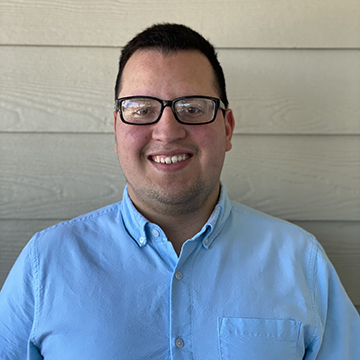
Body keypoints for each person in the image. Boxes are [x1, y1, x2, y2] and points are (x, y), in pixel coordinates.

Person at [0, 23, 359, 360]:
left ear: (227, 128)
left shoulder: (300, 261)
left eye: (192, 108)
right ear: (115, 129)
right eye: (141, 110)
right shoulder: (45, 263)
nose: (167, 131)